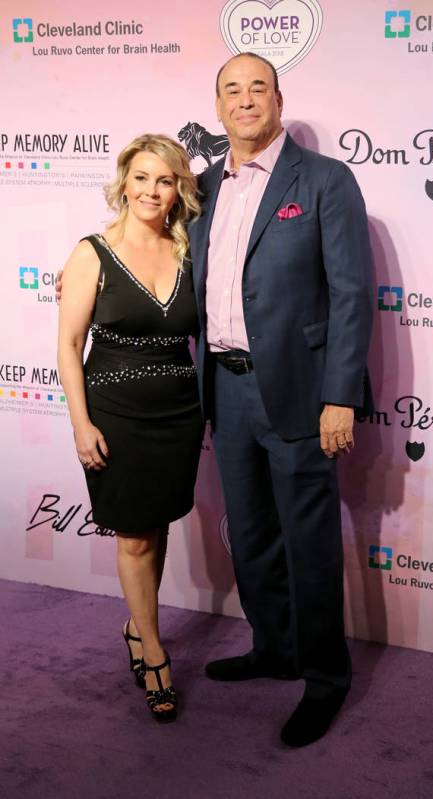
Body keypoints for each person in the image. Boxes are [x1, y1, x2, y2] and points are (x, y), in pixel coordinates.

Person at [187, 53, 374, 748]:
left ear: (278, 99)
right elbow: (164, 261)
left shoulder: (324, 179)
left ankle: (325, 678)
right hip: (224, 386)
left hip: (299, 389)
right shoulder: (203, 187)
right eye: (231, 90)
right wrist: (86, 274)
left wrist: (339, 397)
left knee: (309, 541)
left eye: (257, 88)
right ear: (218, 106)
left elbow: (352, 294)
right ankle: (275, 647)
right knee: (252, 533)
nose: (245, 100)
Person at [57, 134, 203, 723]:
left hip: (180, 413)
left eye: (164, 180)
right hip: (115, 415)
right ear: (124, 183)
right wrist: (80, 424)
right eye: (141, 177)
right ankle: (154, 653)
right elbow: (69, 346)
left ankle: (139, 626)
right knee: (135, 537)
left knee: (156, 526)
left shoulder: (190, 248)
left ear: (178, 190)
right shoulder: (92, 253)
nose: (151, 190)